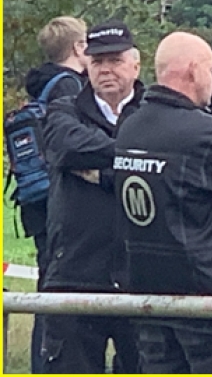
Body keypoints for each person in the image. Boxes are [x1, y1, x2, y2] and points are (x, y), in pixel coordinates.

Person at [113, 31, 212, 374]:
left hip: (146, 289)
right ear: (195, 71)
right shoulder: (206, 135)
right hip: (206, 292)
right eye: (211, 72)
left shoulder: (129, 128)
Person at [40, 19, 143, 374]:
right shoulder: (64, 108)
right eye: (98, 62)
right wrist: (136, 159)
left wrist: (102, 174)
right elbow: (66, 147)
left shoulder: (156, 112)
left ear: (135, 63)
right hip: (75, 272)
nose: (106, 69)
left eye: (115, 60)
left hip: (142, 279)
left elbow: (172, 166)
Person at [20, 16, 89, 374]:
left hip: (32, 197)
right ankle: (46, 362)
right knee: (55, 284)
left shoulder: (41, 84)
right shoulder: (69, 88)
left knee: (46, 279)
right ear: (79, 48)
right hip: (54, 197)